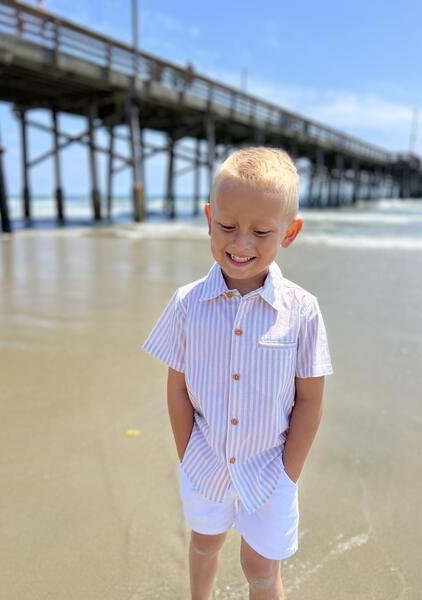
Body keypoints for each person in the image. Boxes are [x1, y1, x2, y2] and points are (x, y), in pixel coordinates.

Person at [142, 146, 333, 599]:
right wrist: (188, 454)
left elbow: (310, 401)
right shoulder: (188, 304)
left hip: (270, 467)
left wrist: (288, 475)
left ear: (290, 232)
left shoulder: (302, 310)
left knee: (261, 566)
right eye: (227, 226)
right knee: (205, 543)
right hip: (204, 460)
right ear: (209, 218)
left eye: (262, 231)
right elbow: (178, 388)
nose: (241, 244)